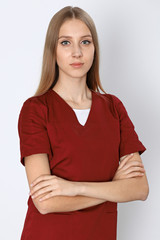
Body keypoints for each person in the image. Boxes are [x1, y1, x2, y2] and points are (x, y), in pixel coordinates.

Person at [17, 6, 149, 240]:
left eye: (85, 42)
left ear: (95, 49)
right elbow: (45, 202)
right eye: (66, 43)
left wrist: (74, 188)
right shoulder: (36, 110)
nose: (77, 52)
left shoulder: (113, 108)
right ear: (53, 51)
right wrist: (112, 188)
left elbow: (139, 188)